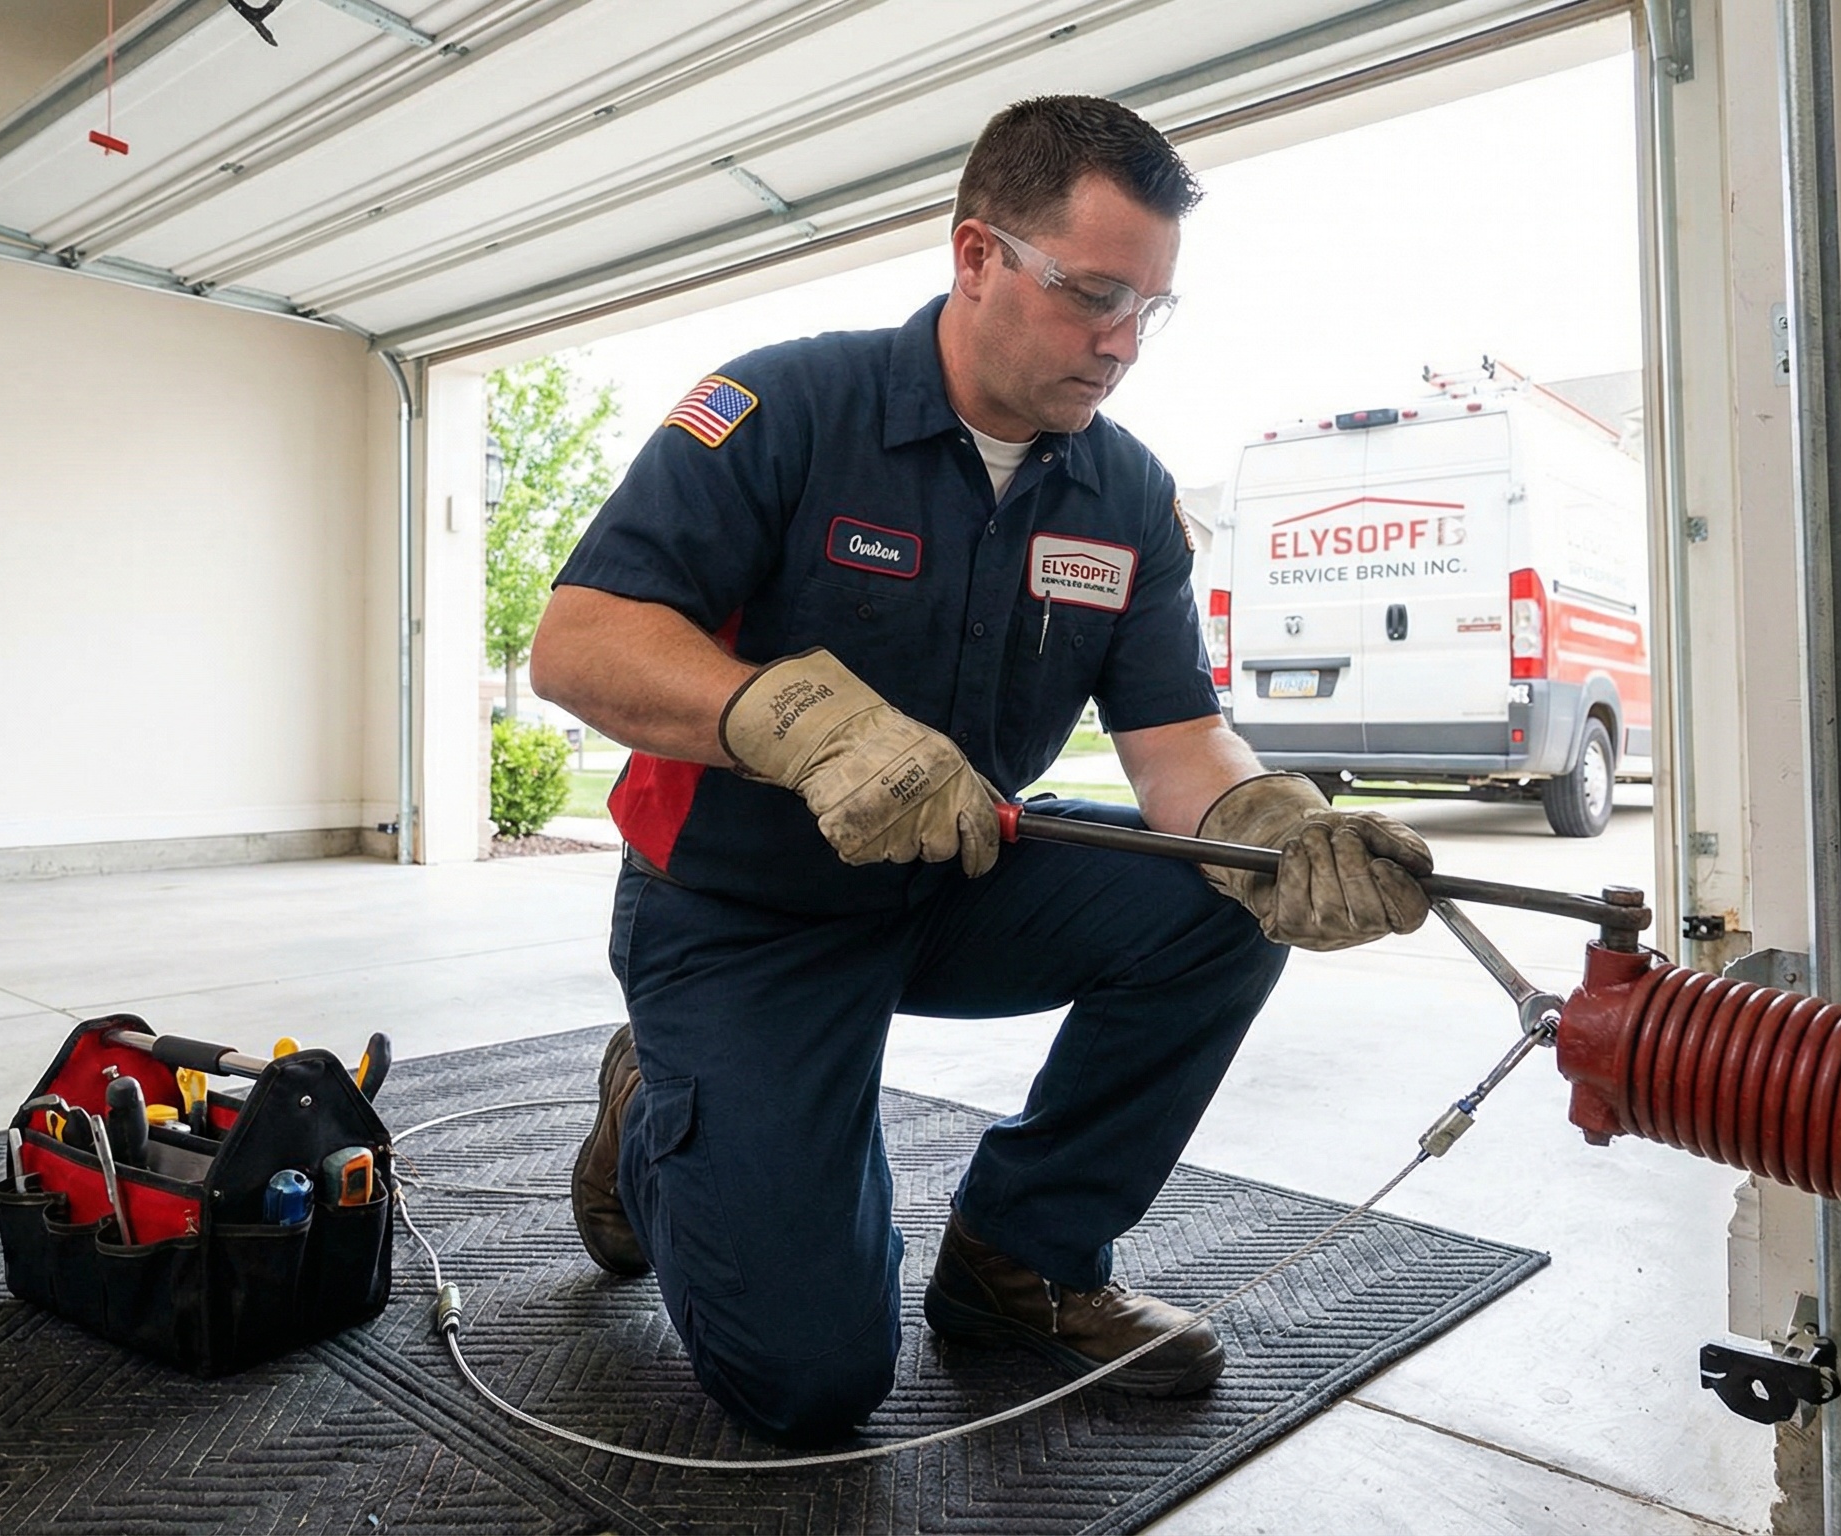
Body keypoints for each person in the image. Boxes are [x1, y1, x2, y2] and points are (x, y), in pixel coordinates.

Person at [527, 95, 1434, 1446]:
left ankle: (1025, 1261)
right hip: (741, 913)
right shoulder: (784, 407)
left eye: (1151, 309)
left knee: (1227, 895)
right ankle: (650, 1114)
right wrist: (798, 723)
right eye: (1094, 294)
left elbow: (1179, 743)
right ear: (975, 257)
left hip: (959, 877)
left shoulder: (1125, 496)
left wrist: (1270, 819)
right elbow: (579, 642)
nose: (1122, 342)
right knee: (809, 1382)